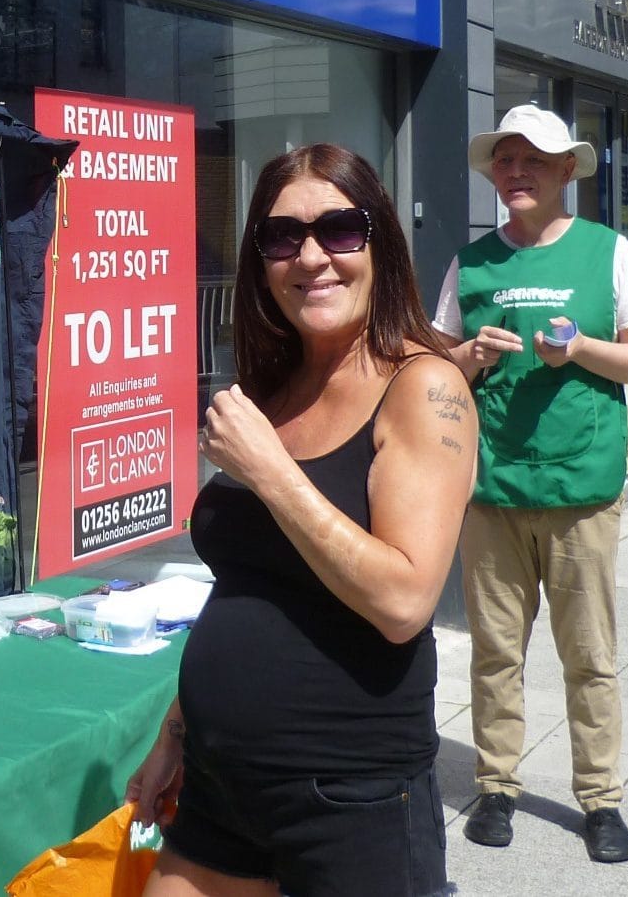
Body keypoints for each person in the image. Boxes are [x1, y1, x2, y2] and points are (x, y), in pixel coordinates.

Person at [124, 144, 476, 897]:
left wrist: (270, 472)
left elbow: (404, 602)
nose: (311, 257)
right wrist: (174, 732)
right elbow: (250, 584)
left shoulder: (423, 385)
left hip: (350, 801)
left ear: (377, 239)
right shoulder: (276, 387)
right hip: (222, 789)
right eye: (281, 238)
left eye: (339, 230)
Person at [432, 104, 628, 863]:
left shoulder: (606, 253)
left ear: (566, 170)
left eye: (531, 159)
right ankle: (496, 785)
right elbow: (432, 374)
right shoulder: (470, 264)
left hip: (580, 492)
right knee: (495, 654)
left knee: (588, 656)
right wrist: (470, 354)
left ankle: (599, 800)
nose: (514, 171)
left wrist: (583, 351)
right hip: (492, 489)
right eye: (503, 160)